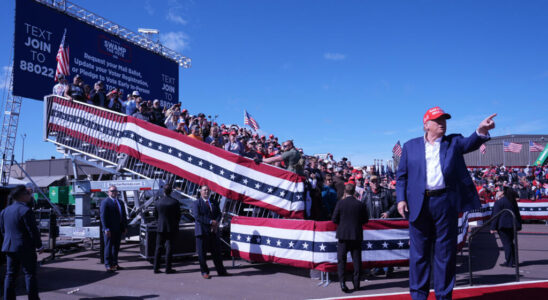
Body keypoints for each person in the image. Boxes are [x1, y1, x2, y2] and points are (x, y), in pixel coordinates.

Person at [396, 107, 495, 300]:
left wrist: (481, 130)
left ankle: (443, 296)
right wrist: (401, 199)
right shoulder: (410, 146)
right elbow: (402, 176)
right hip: (419, 204)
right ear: (426, 125)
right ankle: (418, 296)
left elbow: (470, 143)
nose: (442, 123)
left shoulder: (454, 142)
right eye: (437, 120)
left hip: (445, 203)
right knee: (419, 255)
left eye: (444, 120)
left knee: (445, 254)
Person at [0, 185, 42, 300]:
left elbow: (3, 230)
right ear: (22, 196)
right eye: (28, 194)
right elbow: (32, 231)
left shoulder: (5, 211)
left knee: (10, 275)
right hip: (25, 247)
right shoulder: (25, 210)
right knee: (30, 274)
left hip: (9, 247)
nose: (30, 196)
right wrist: (39, 245)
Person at [332, 183, 369, 293]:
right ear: (354, 192)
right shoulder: (360, 204)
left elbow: (334, 219)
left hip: (343, 236)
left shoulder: (340, 203)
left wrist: (342, 223)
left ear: (345, 192)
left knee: (341, 261)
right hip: (356, 235)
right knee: (357, 261)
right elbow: (365, 220)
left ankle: (342, 282)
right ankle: (356, 282)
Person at [192, 185, 229, 279]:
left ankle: (221, 271)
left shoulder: (214, 202)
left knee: (217, 253)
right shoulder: (197, 203)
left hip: (214, 231)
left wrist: (216, 222)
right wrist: (209, 222)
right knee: (202, 254)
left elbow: (219, 214)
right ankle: (204, 272)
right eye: (204, 190)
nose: (206, 192)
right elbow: (197, 216)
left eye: (208, 190)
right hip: (202, 232)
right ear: (200, 192)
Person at [490, 187, 522, 267]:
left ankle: (509, 262)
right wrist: (519, 225)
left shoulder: (499, 202)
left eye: (499, 191)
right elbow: (517, 214)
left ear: (502, 192)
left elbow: (495, 215)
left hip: (503, 225)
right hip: (513, 225)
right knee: (510, 243)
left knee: (506, 244)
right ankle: (513, 260)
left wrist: (492, 227)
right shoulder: (512, 201)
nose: (497, 192)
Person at [153, 184, 181, 274]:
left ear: (163, 191)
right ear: (171, 191)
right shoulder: (175, 202)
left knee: (158, 248)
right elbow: (178, 216)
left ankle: (156, 268)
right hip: (171, 228)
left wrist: (160, 222)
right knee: (169, 248)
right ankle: (168, 268)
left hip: (160, 227)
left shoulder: (158, 202)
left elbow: (155, 215)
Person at [100, 185, 127, 272]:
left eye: (115, 191)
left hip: (118, 229)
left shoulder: (120, 202)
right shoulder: (105, 202)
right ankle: (108, 265)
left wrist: (124, 227)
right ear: (108, 192)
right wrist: (106, 229)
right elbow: (103, 217)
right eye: (112, 191)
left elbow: (123, 216)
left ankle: (115, 264)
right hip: (109, 230)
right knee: (108, 247)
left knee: (116, 247)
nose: (114, 192)